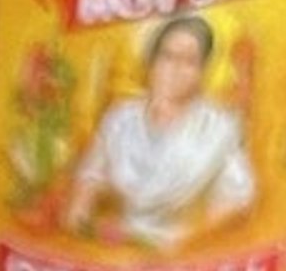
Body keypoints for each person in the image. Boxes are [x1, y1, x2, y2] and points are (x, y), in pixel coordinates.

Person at [64, 13, 256, 250]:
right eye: (167, 57)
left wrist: (186, 238)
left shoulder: (220, 127)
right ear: (151, 62)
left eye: (189, 61)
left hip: (181, 253)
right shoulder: (120, 119)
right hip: (117, 245)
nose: (175, 69)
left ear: (201, 72)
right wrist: (81, 217)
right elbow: (90, 175)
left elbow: (237, 199)